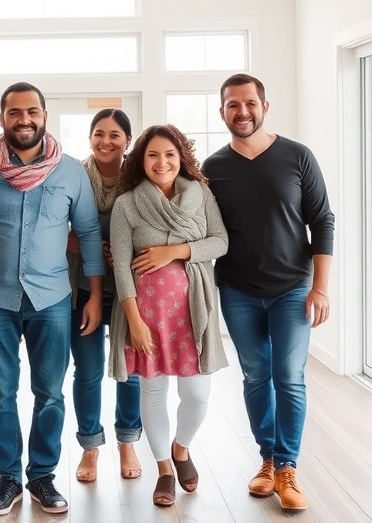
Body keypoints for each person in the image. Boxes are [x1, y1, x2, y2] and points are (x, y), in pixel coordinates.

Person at [0, 109, 143, 483]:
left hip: (117, 290)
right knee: (76, 374)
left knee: (118, 375)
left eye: (115, 134)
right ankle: (70, 453)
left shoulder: (133, 176)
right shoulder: (66, 170)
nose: (106, 141)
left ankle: (117, 445)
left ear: (128, 140)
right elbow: (67, 228)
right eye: (98, 133)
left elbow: (128, 225)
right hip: (53, 289)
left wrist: (126, 252)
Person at [0, 82, 105, 516]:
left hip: (52, 299)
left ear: (44, 116)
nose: (23, 119)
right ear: (2, 118)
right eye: (14, 112)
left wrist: (94, 296)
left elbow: (88, 234)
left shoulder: (70, 171)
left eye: (32, 111)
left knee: (50, 393)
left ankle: (42, 476)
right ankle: (8, 479)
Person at [201, 73, 335, 512]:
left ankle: (288, 467)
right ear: (222, 111)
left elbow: (323, 220)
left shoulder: (297, 156)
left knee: (289, 376)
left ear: (264, 106)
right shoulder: (212, 169)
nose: (242, 112)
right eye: (232, 105)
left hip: (292, 288)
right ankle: (268, 460)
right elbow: (197, 226)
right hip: (237, 290)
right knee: (256, 375)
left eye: (249, 103)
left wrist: (320, 288)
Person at [108, 124, 229, 507]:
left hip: (193, 312)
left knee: (197, 394)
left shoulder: (200, 194)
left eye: (170, 154)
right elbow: (121, 265)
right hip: (146, 314)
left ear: (182, 158)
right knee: (154, 391)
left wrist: (175, 251)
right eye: (153, 155)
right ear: (141, 161)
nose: (162, 162)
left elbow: (220, 242)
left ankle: (181, 448)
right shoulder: (127, 204)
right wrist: (134, 320)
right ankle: (163, 468)